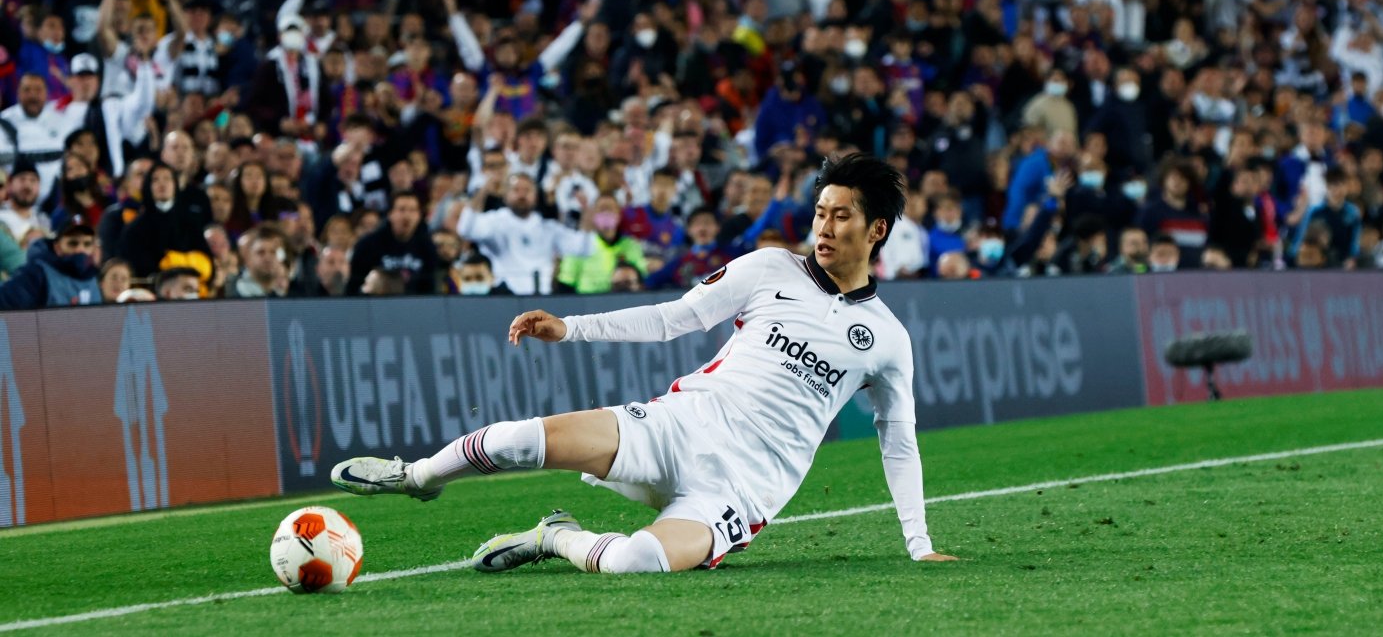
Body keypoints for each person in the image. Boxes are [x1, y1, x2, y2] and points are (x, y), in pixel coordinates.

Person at [331, 153, 955, 573]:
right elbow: (670, 319)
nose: (825, 227)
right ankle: (416, 476)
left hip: (742, 487)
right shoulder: (770, 268)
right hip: (679, 426)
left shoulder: (887, 338)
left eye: (842, 216)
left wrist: (919, 545)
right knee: (522, 440)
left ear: (876, 230)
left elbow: (898, 442)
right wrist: (571, 328)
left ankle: (556, 536)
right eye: (820, 212)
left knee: (637, 562)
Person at [454, 173, 594, 295]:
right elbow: (466, 230)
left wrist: (586, 211)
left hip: (541, 299)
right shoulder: (494, 222)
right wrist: (483, 192)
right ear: (505, 194)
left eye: (527, 190)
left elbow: (584, 248)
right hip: (504, 296)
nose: (522, 195)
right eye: (516, 190)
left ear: (536, 195)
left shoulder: (548, 228)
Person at [345, 191, 439, 295]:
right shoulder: (368, 245)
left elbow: (431, 288)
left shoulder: (427, 247)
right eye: (402, 209)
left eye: (413, 210)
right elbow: (354, 286)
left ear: (419, 216)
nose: (407, 216)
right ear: (390, 214)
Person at [0, 220, 101, 308]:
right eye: (72, 243)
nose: (80, 250)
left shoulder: (94, 276)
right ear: (57, 247)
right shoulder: (36, 273)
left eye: (87, 244)